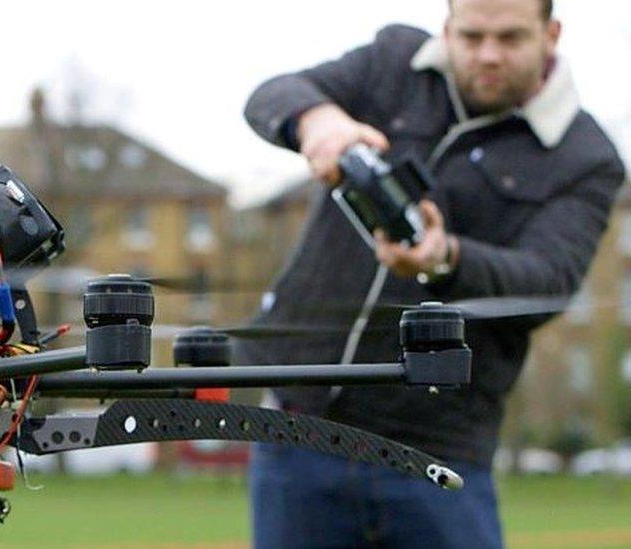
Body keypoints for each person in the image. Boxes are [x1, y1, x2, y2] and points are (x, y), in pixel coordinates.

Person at [238, 0, 626, 547]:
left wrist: (446, 259)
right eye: (471, 37)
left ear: (552, 34)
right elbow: (270, 95)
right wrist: (318, 121)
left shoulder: (586, 157)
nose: (487, 55)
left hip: (439, 452)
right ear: (448, 28)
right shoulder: (392, 62)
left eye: (511, 38)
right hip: (301, 431)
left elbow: (547, 283)